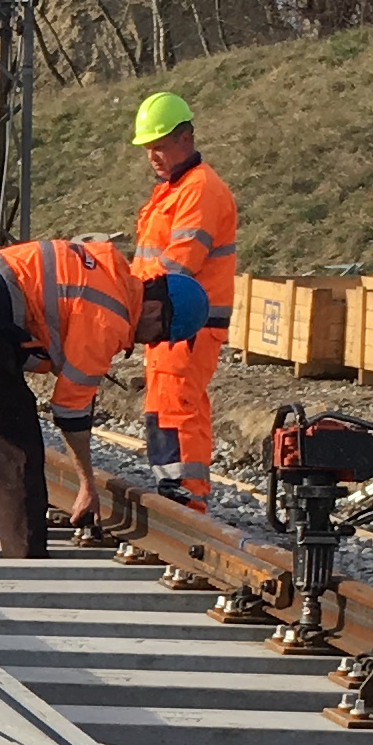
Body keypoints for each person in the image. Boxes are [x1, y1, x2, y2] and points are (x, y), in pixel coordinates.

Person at [0, 235, 208, 557]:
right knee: (15, 448)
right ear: (154, 310)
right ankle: (25, 559)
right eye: (160, 335)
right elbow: (71, 409)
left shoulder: (105, 274)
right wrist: (87, 484)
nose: (150, 343)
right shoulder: (109, 316)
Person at [127, 91, 236, 504]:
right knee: (164, 410)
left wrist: (129, 297)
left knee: (179, 408)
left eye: (159, 146)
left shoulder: (199, 190)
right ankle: (175, 498)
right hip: (166, 320)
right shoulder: (173, 189)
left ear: (185, 139)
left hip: (188, 320)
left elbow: (179, 264)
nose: (152, 156)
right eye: (148, 149)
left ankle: (189, 501)